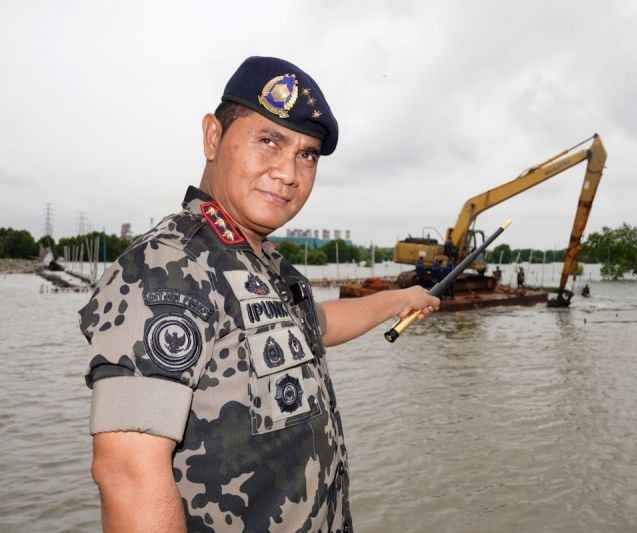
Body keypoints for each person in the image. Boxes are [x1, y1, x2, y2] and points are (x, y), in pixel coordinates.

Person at [79, 57, 439, 532]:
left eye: (306, 155)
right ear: (213, 138)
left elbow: (320, 325)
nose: (288, 172)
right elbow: (127, 472)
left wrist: (401, 299)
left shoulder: (259, 262)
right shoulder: (168, 267)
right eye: (269, 140)